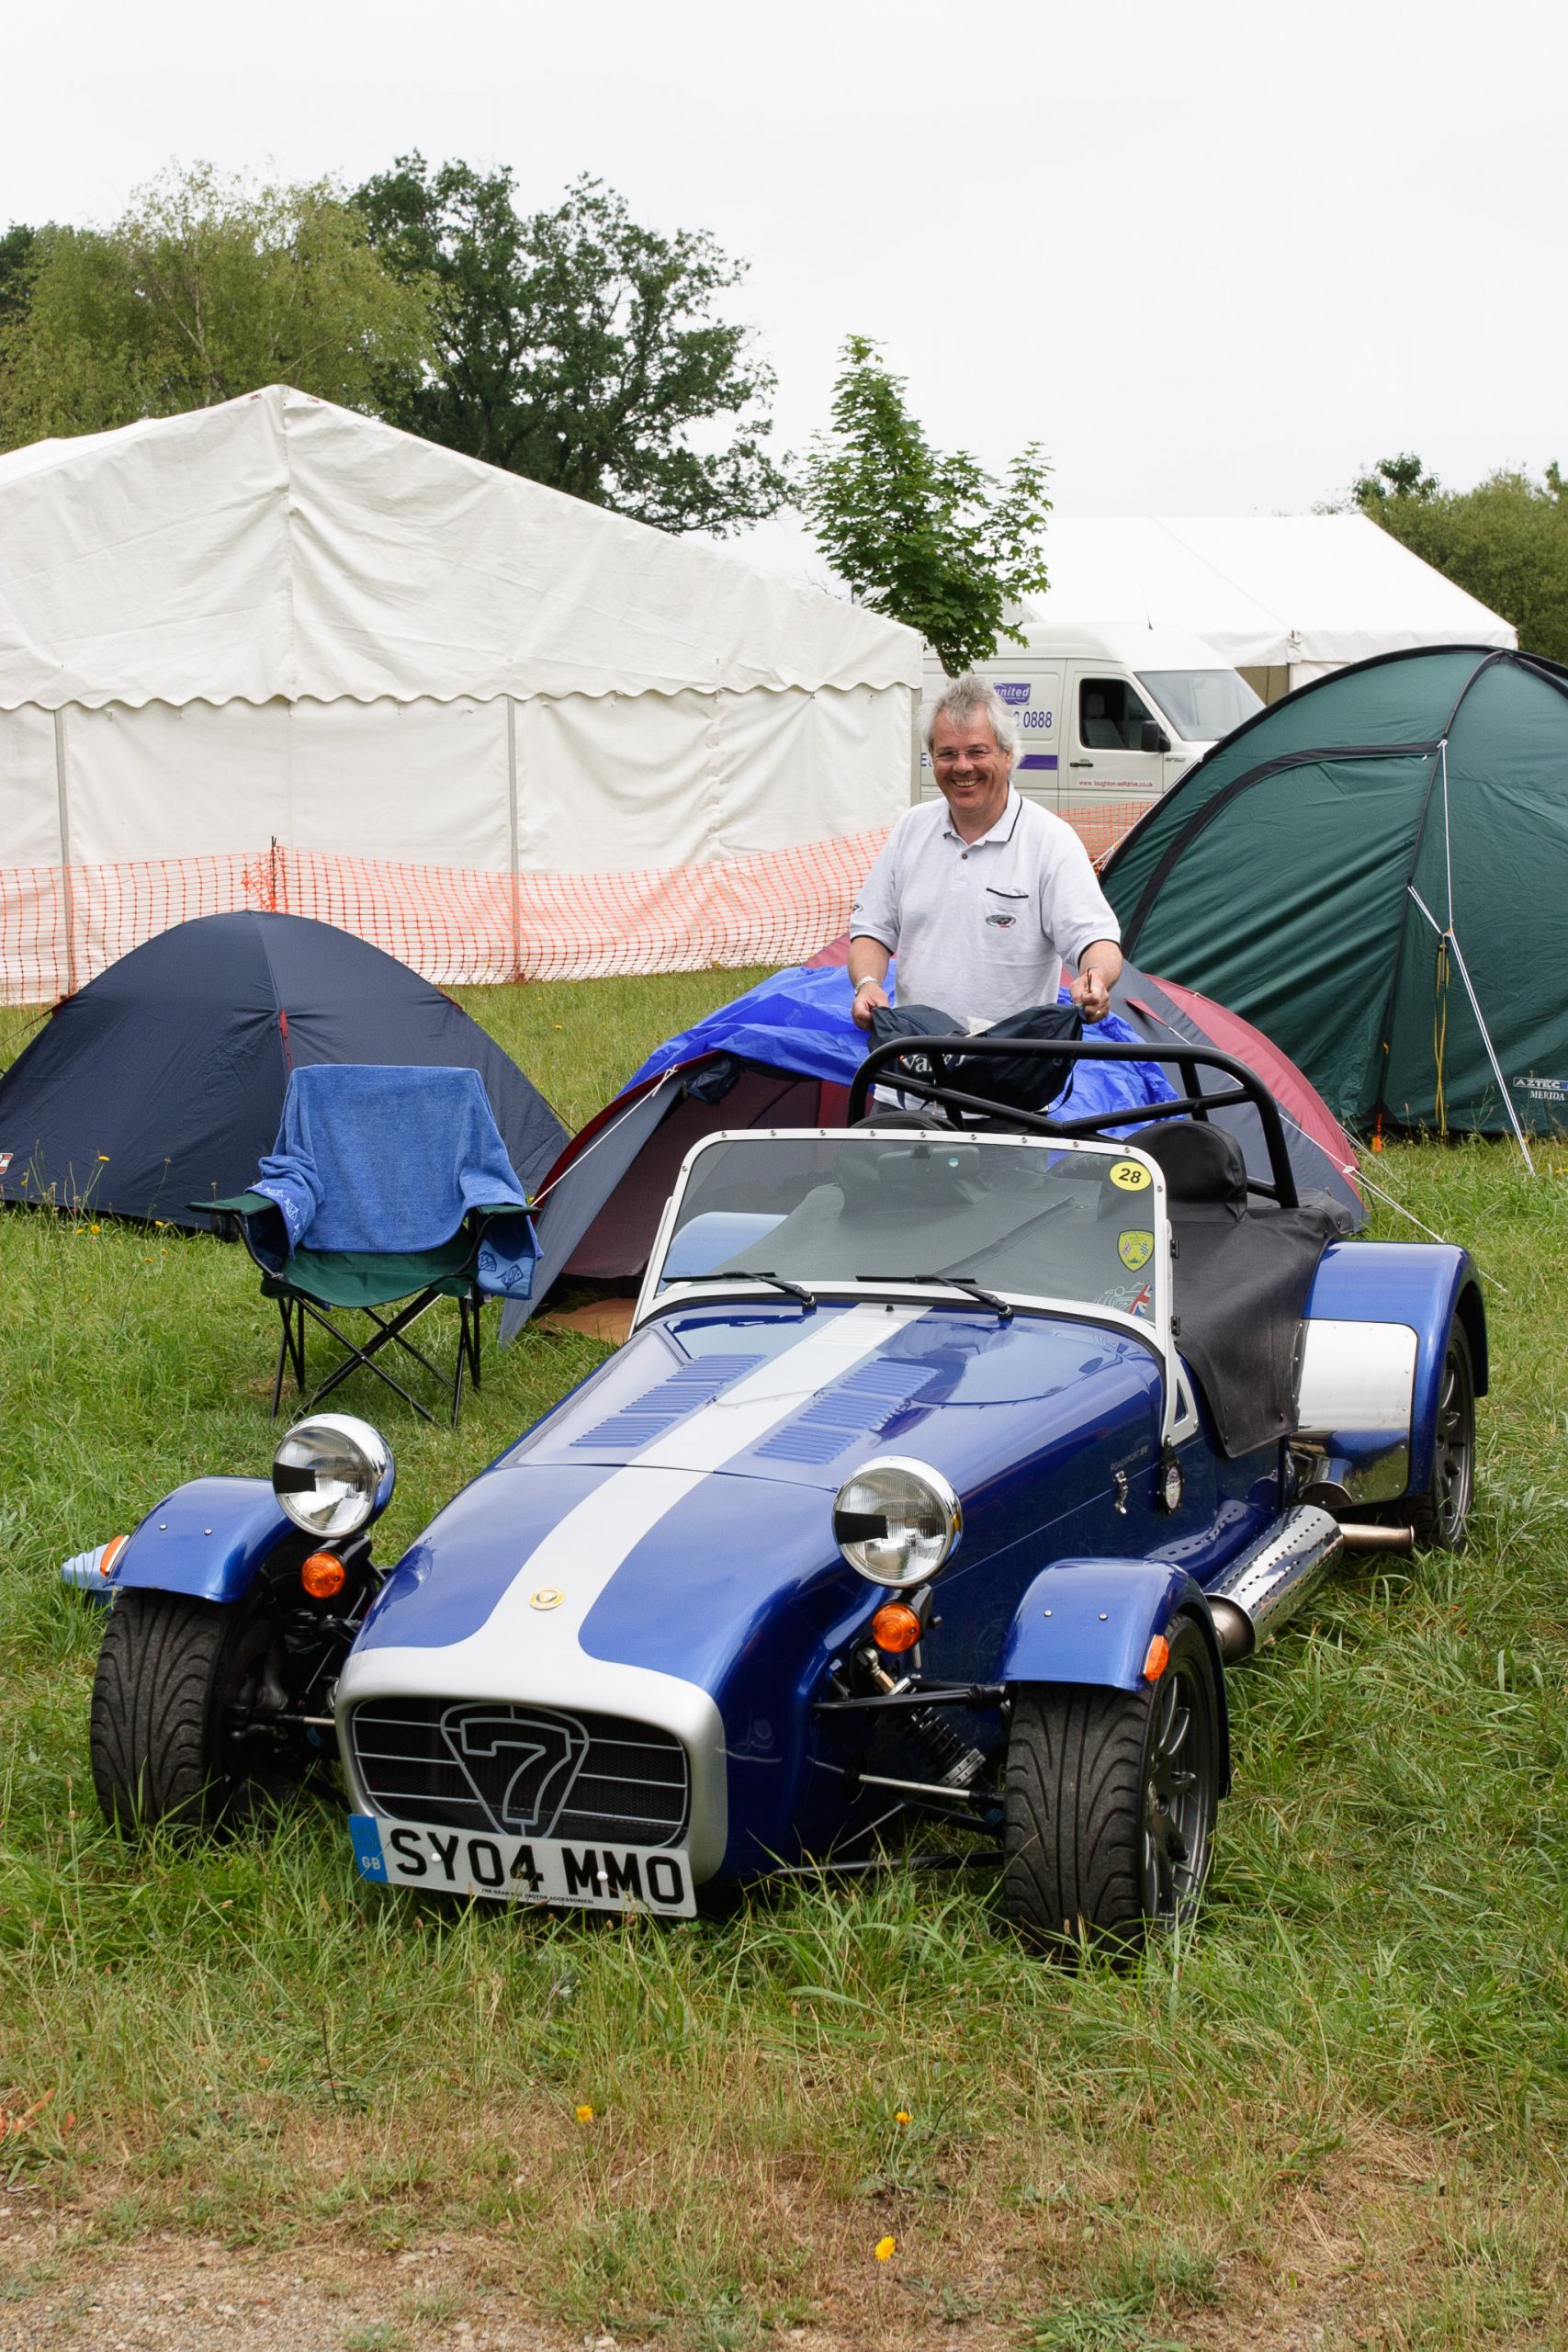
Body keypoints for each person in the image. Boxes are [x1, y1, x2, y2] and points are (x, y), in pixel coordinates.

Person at [848, 674, 1123, 1032]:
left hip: (1010, 1071)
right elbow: (872, 930)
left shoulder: (1051, 840)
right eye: (947, 753)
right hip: (912, 1059)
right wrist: (867, 984)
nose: (962, 766)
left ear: (1008, 755)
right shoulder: (911, 829)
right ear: (932, 758)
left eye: (977, 751)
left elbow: (1096, 939)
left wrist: (1094, 978)